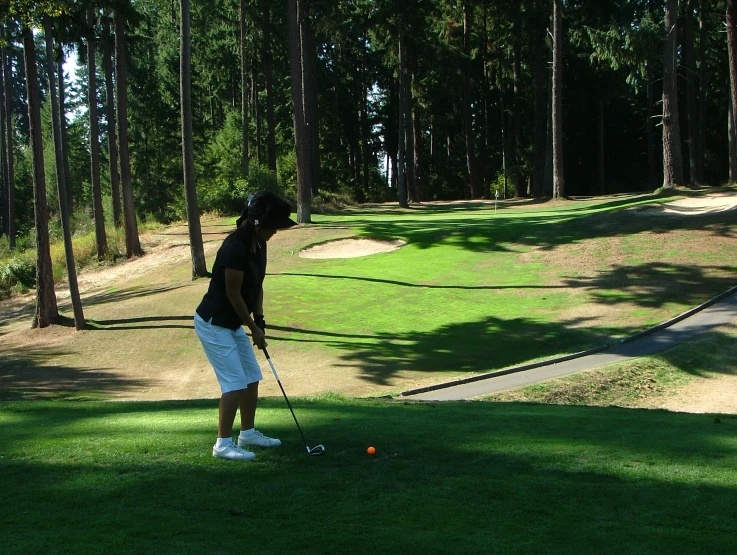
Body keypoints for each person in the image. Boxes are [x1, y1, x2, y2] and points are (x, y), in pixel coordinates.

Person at [194, 191, 297, 461]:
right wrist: (253, 327)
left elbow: (257, 286)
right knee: (235, 383)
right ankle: (222, 445)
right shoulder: (234, 248)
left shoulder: (259, 245)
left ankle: (247, 433)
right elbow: (233, 294)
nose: (275, 231)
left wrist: (260, 321)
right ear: (256, 223)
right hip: (214, 322)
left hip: (233, 323)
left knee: (251, 377)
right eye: (273, 225)